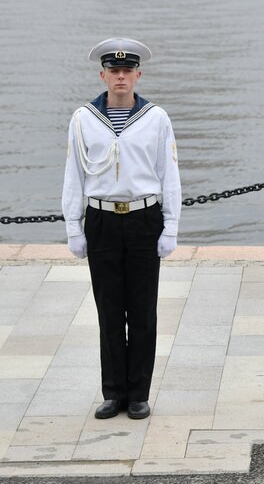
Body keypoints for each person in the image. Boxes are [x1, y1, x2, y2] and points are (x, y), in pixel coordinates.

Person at [62, 38, 182, 420]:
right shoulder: (83, 119)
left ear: (137, 75)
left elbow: (170, 175)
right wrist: (73, 227)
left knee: (142, 311)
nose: (120, 77)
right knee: (109, 311)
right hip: (101, 221)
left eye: (127, 71)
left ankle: (139, 394)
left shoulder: (156, 118)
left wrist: (171, 227)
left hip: (144, 219)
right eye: (113, 71)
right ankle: (113, 393)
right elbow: (73, 175)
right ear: (103, 75)